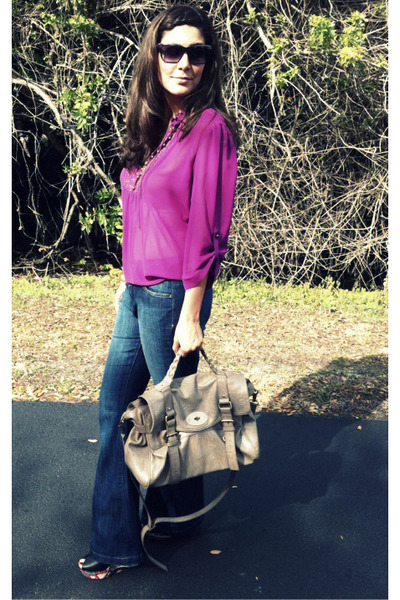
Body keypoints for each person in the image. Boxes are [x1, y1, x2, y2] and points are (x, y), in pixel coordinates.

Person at [78, 4, 238, 580]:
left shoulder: (210, 128)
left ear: (208, 62)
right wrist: (125, 282)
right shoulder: (151, 126)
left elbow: (206, 229)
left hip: (174, 295)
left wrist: (191, 313)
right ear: (155, 54)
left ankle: (162, 522)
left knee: (165, 417)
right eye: (173, 50)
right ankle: (139, 531)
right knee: (124, 411)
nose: (184, 62)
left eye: (197, 53)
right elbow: (140, 214)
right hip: (138, 291)